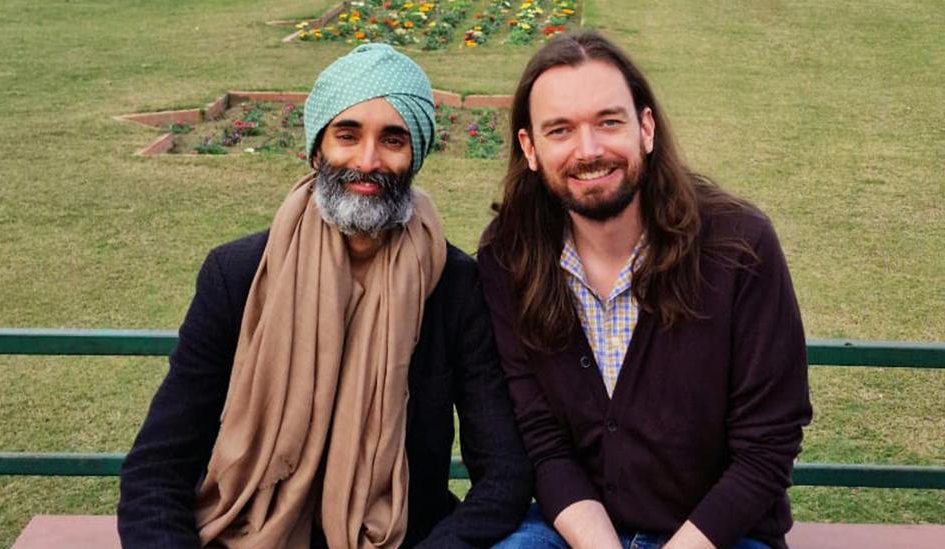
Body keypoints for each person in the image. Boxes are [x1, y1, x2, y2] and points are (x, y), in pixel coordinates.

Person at [118, 43, 532, 548]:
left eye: (393, 139)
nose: (367, 160)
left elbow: (505, 477)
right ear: (317, 149)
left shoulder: (453, 284)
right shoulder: (238, 275)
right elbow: (158, 468)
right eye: (347, 135)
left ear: (415, 156)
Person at [477, 31, 812, 549]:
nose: (589, 150)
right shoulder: (510, 255)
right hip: (576, 532)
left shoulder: (739, 246)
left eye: (609, 122)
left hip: (720, 536)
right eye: (560, 130)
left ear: (646, 127)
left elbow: (767, 445)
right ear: (531, 148)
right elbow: (542, 441)